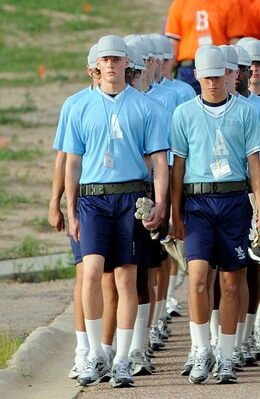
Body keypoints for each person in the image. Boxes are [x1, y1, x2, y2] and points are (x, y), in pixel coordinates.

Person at [64, 35, 169, 388]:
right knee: (91, 272)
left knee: (126, 278)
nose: (110, 65)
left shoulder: (146, 107)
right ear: (96, 66)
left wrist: (161, 203)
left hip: (129, 196)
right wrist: (71, 207)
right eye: (105, 60)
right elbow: (72, 162)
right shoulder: (78, 106)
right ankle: (95, 352)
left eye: (116, 59)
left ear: (127, 64)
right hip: (93, 198)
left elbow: (159, 161)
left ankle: (122, 358)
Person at [169, 45, 260, 385]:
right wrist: (175, 213)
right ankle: (201, 348)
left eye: (218, 77)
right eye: (206, 77)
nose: (212, 83)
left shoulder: (245, 112)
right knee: (198, 278)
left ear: (228, 75)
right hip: (197, 204)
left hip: (233, 201)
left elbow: (255, 165)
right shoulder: (184, 113)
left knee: (231, 282)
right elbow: (178, 167)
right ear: (196, 76)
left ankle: (226, 355)